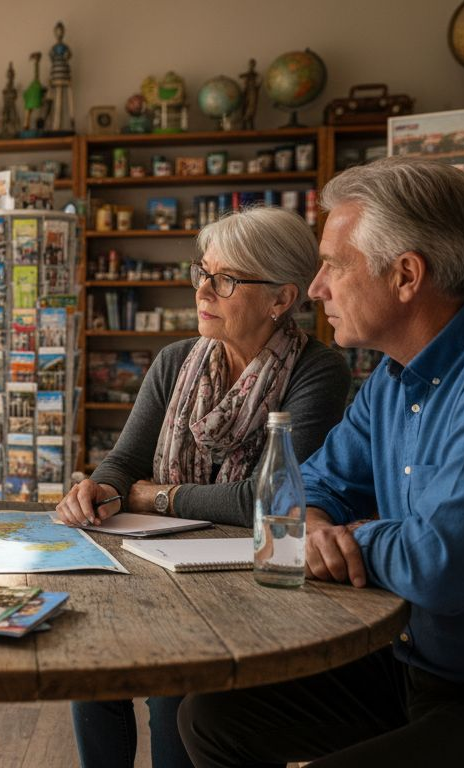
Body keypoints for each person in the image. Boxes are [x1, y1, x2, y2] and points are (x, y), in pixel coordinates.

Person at [178, 157, 464, 767]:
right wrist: (317, 525)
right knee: (214, 717)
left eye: (334, 265)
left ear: (405, 275)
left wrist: (351, 536)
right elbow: (303, 488)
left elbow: (440, 567)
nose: (317, 288)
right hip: (420, 668)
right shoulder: (394, 378)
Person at [56, 206, 351, 768]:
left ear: (281, 299)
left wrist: (156, 496)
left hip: (251, 583)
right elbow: (124, 462)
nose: (204, 290)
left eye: (226, 279)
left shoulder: (319, 371)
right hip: (154, 561)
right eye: (203, 273)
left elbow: (267, 502)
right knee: (91, 665)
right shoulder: (174, 362)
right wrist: (101, 489)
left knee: (176, 693)